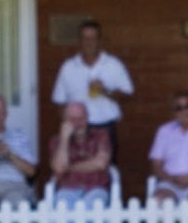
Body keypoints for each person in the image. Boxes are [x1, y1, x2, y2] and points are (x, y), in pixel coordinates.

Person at [50, 20, 134, 161]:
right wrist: (69, 126)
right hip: (76, 129)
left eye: (92, 38)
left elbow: (128, 96)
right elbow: (60, 102)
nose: (88, 42)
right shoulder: (68, 67)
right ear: (79, 41)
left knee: (106, 172)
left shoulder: (113, 65)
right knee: (75, 172)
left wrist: (105, 91)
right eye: (84, 38)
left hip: (105, 128)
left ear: (99, 41)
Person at [47, 100, 115, 206]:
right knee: (63, 207)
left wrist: (69, 167)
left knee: (93, 206)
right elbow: (59, 168)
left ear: (87, 118)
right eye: (72, 120)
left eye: (81, 119)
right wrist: (64, 139)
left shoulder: (101, 136)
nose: (77, 123)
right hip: (67, 189)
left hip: (96, 188)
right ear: (65, 121)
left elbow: (101, 163)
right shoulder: (56, 141)